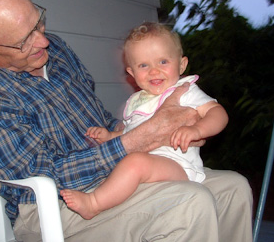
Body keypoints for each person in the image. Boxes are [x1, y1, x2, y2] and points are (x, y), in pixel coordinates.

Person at [0, 0, 253, 242]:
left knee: (233, 188)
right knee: (189, 204)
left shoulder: (58, 50)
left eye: (38, 21)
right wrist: (136, 140)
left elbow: (104, 119)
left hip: (122, 172)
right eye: (23, 41)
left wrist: (168, 129)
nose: (43, 41)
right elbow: (42, 175)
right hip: (55, 205)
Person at [60, 22, 229, 220]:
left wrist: (198, 130)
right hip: (149, 167)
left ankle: (94, 203)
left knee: (135, 163)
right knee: (133, 164)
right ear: (132, 73)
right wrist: (110, 136)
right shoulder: (136, 101)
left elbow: (218, 114)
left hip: (178, 165)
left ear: (182, 64)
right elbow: (133, 133)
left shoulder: (184, 90)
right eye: (143, 65)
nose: (154, 71)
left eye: (163, 62)